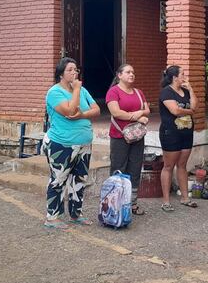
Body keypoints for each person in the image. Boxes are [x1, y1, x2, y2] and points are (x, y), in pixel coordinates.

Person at [43, 57, 101, 228]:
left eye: (76, 70)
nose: (74, 73)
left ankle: (76, 214)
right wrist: (76, 90)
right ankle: (52, 217)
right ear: (61, 74)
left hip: (84, 144)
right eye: (70, 70)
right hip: (62, 144)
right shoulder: (55, 92)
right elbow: (70, 110)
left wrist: (83, 115)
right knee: (58, 180)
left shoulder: (82, 90)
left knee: (79, 179)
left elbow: (96, 109)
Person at [106, 64, 150, 215]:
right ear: (119, 75)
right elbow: (116, 112)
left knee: (135, 168)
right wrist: (136, 115)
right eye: (128, 72)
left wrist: (138, 113)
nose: (131, 74)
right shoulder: (113, 92)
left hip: (137, 135)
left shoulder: (138, 92)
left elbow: (147, 110)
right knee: (119, 168)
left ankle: (132, 203)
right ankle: (115, 204)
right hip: (119, 137)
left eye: (133, 72)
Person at [159, 65, 199, 211]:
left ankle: (185, 198)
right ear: (175, 77)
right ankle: (166, 201)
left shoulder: (185, 91)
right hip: (171, 133)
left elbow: (196, 106)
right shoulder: (166, 92)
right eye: (182, 74)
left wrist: (191, 89)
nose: (185, 76)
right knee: (168, 166)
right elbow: (175, 110)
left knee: (182, 165)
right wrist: (190, 111)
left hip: (186, 133)